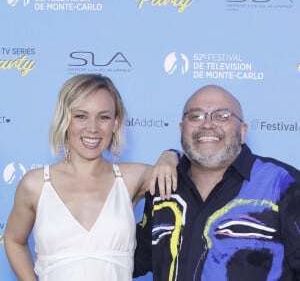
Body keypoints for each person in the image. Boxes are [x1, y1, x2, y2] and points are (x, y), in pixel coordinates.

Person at [4, 74, 178, 281]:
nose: (92, 128)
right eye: (81, 116)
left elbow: (193, 170)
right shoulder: (36, 184)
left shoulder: (131, 178)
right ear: (65, 119)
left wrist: (171, 155)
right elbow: (14, 240)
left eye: (103, 117)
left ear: (115, 122)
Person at [134, 84, 300, 280]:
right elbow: (130, 259)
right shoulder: (162, 186)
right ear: (182, 129)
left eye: (222, 116)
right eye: (195, 116)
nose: (207, 124)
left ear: (243, 131)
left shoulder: (283, 184)